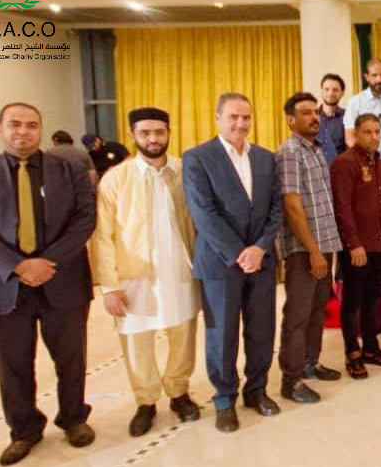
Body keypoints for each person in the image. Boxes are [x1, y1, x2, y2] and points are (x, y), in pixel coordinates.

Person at [0, 102, 97, 466]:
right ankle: (24, 431)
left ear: (41, 129)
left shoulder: (69, 171)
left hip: (62, 278)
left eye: (31, 125)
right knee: (13, 363)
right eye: (15, 124)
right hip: (3, 285)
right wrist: (18, 266)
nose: (23, 131)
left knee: (71, 358)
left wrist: (46, 263)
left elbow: (85, 219)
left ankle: (74, 418)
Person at [93, 107, 202, 436]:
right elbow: (103, 236)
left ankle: (179, 392)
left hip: (180, 269)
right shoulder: (116, 178)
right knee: (137, 340)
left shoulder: (184, 171)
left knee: (183, 335)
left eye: (159, 132)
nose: (153, 139)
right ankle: (146, 401)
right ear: (132, 135)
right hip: (133, 275)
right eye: (145, 133)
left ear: (169, 132)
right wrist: (109, 286)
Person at [182, 92, 283, 432]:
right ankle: (224, 399)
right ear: (217, 118)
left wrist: (260, 248)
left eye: (246, 117)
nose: (241, 124)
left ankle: (257, 391)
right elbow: (203, 213)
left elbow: (276, 209)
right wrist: (241, 253)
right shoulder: (198, 158)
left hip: (261, 261)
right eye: (233, 117)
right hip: (219, 263)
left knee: (261, 330)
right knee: (222, 335)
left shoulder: (265, 158)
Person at [275, 92, 343, 399]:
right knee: (298, 314)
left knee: (317, 310)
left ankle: (309, 363)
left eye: (315, 112)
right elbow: (292, 205)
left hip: (324, 245)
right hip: (304, 249)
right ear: (291, 120)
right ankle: (290, 380)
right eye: (306, 113)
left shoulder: (316, 151)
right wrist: (314, 251)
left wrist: (324, 250)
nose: (314, 117)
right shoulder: (289, 152)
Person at [332, 113, 381, 379]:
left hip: (379, 243)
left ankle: (371, 347)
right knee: (353, 300)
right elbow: (342, 207)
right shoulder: (344, 163)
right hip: (357, 247)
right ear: (356, 133)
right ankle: (352, 352)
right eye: (367, 132)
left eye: (377, 132)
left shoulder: (380, 163)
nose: (373, 137)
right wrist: (353, 244)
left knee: (372, 298)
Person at [343, 58, 381, 158]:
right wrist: (365, 158)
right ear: (367, 77)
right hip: (365, 160)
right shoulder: (355, 102)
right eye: (374, 75)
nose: (379, 80)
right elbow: (350, 137)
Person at [318, 73, 348, 164]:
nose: (330, 93)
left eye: (335, 90)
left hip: (339, 170)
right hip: (314, 171)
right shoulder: (311, 117)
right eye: (327, 89)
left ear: (342, 92)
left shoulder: (348, 117)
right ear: (321, 91)